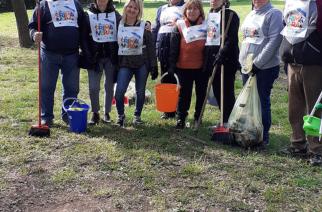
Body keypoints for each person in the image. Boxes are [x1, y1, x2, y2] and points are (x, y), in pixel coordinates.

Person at [28, 0, 84, 127]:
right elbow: (32, 26)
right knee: (47, 87)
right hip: (49, 53)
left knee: (72, 87)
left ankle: (68, 115)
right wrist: (34, 34)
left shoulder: (75, 4)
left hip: (72, 54)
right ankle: (46, 117)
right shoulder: (43, 5)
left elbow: (83, 26)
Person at [280, 0, 322, 165]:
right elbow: (286, 25)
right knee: (294, 107)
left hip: (313, 63)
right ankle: (298, 144)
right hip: (293, 61)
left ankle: (317, 149)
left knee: (315, 109)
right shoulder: (290, 2)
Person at [239, 0, 283, 145]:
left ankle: (263, 137)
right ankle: (251, 132)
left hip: (265, 67)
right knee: (250, 102)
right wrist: (242, 61)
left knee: (261, 101)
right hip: (248, 66)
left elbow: (275, 40)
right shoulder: (251, 13)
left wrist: (258, 63)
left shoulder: (274, 14)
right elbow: (246, 39)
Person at [115, 0, 158, 127]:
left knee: (140, 91)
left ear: (139, 11)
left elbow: (150, 46)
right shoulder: (119, 23)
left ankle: (137, 116)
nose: (132, 10)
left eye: (135, 8)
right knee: (119, 92)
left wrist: (154, 65)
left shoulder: (144, 26)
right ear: (125, 7)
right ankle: (121, 115)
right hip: (125, 63)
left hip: (141, 63)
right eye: (130, 6)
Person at [80, 0, 121, 125]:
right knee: (93, 87)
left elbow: (126, 27)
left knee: (109, 86)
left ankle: (107, 112)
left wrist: (146, 24)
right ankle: (95, 113)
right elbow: (83, 37)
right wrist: (88, 54)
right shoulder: (87, 15)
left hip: (110, 56)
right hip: (94, 57)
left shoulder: (116, 14)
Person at [169, 0, 208, 129]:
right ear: (185, 11)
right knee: (183, 95)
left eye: (195, 9)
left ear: (200, 11)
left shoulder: (207, 25)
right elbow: (173, 48)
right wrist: (172, 66)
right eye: (189, 9)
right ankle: (181, 118)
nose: (192, 11)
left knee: (201, 94)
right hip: (183, 67)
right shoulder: (179, 25)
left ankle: (198, 117)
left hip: (201, 67)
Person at [203, 0, 240, 124]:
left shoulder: (230, 15)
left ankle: (228, 121)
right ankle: (224, 119)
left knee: (226, 92)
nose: (213, 1)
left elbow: (232, 39)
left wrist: (222, 53)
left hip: (226, 60)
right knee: (218, 91)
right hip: (213, 58)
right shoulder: (210, 15)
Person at [152, 0, 185, 120]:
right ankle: (168, 109)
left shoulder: (186, 6)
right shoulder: (161, 8)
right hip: (162, 44)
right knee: (166, 76)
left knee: (178, 77)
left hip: (178, 44)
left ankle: (180, 109)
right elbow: (156, 29)